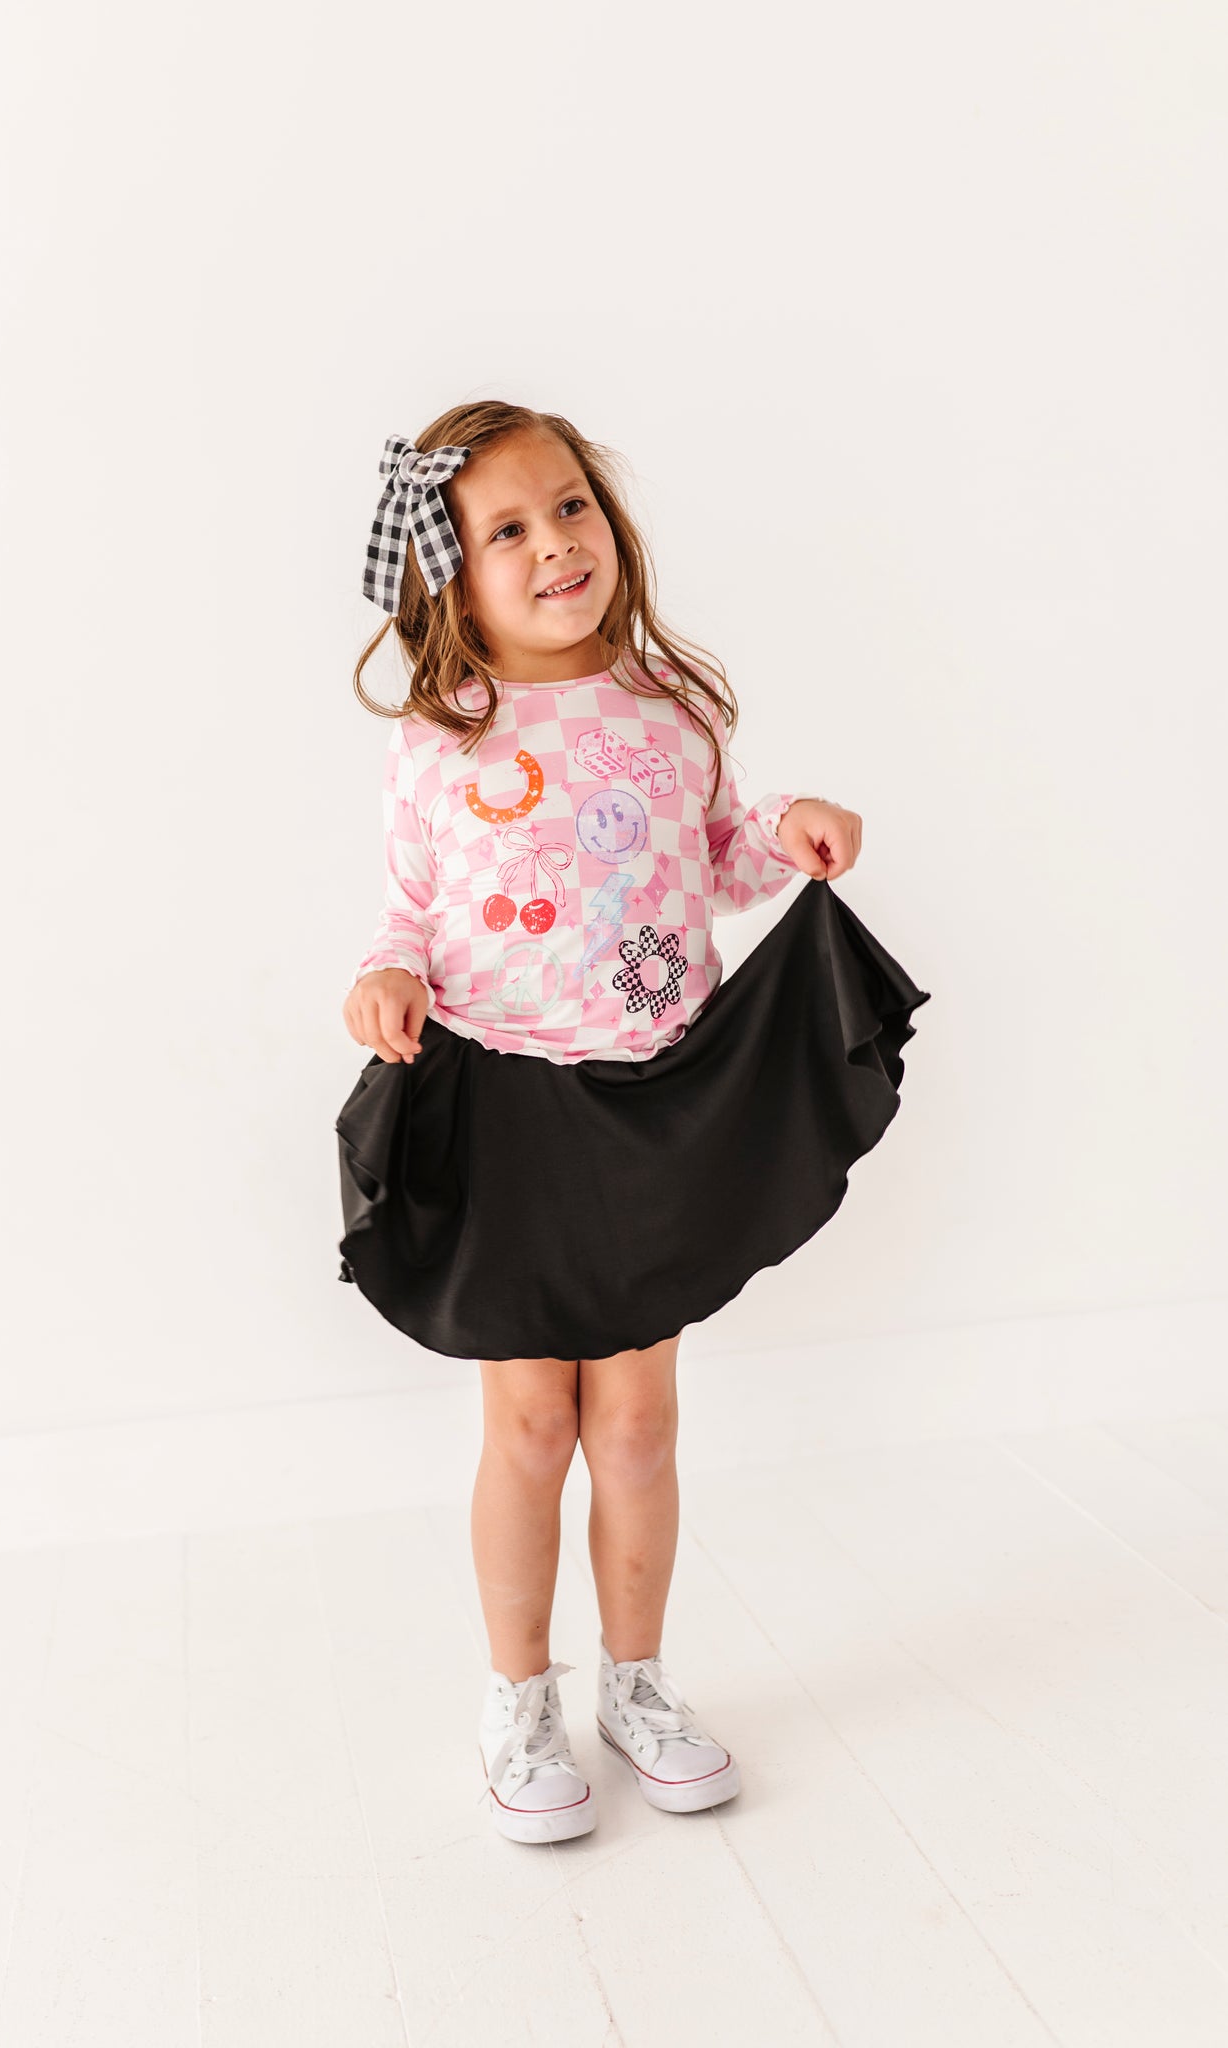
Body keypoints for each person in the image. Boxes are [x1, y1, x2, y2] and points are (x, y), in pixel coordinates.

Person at [336, 402, 931, 1845]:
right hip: (506, 1100)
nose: (556, 544)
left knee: (641, 1422)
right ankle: (518, 1696)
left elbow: (714, 854)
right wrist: (386, 973)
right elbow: (409, 902)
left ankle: (640, 1685)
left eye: (571, 507)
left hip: (655, 1096)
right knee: (532, 1418)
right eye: (508, 529)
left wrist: (784, 828)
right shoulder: (446, 732)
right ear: (453, 576)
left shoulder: (669, 702)